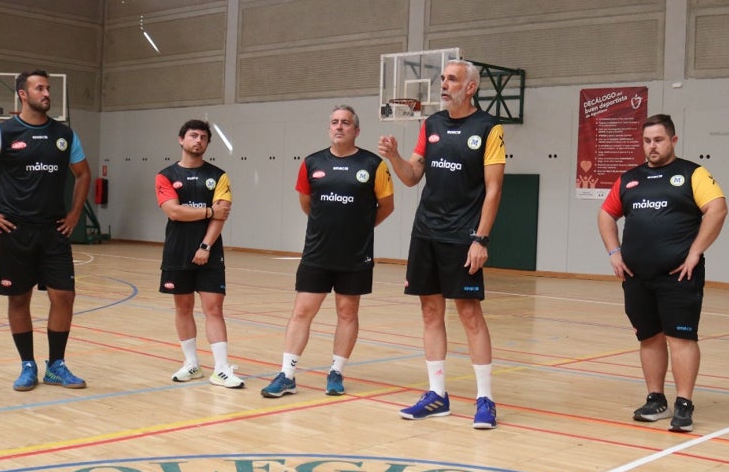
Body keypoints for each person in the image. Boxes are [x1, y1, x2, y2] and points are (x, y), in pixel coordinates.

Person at [378, 59, 504, 429]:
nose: (444, 85)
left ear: (470, 87)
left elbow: (494, 189)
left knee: (469, 314)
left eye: (452, 79)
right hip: (426, 233)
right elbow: (413, 176)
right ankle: (437, 395)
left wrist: (480, 238)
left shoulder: (489, 128)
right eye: (443, 79)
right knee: (430, 313)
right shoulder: (430, 125)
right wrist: (395, 157)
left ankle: (485, 399)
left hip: (463, 236)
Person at [0, 70, 91, 391]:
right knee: (19, 299)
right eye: (39, 88)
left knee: (65, 296)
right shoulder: (1, 133)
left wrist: (73, 214)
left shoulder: (65, 135)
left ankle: (56, 364)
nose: (46, 93)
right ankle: (27, 365)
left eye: (48, 88)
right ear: (22, 94)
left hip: (54, 230)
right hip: (15, 230)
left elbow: (83, 175)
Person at [598, 114, 727, 432]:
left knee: (681, 337)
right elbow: (606, 214)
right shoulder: (629, 179)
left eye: (658, 139)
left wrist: (695, 251)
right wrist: (614, 252)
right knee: (649, 337)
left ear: (673, 140)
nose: (652, 146)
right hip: (636, 277)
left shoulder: (692, 173)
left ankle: (684, 404)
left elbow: (717, 208)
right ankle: (656, 399)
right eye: (646, 141)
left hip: (678, 275)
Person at [262, 105, 395, 398]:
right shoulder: (311, 163)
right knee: (301, 312)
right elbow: (307, 204)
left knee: (347, 312)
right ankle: (287, 375)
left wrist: (359, 228)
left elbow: (386, 206)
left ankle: (336, 372)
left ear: (356, 130)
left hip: (355, 255)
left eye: (345, 123)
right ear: (329, 128)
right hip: (317, 253)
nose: (339, 127)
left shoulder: (374, 165)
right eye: (334, 122)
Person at [156, 120, 242, 388]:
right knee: (183, 308)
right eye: (193, 136)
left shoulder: (219, 176)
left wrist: (205, 247)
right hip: (176, 251)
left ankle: (221, 368)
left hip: (210, 253)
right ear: (181, 139)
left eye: (204, 137)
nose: (198, 141)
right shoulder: (166, 175)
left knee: (214, 309)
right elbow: (174, 211)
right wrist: (207, 211)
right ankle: (191, 364)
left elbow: (222, 214)